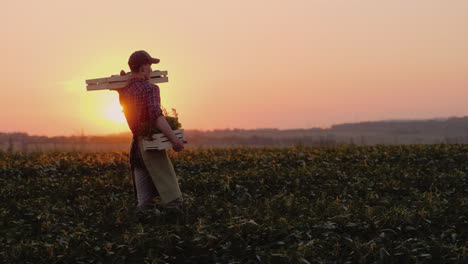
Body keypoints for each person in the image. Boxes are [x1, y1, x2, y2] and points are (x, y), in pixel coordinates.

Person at [113, 50, 185, 212]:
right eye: (150, 65)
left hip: (136, 150)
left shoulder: (124, 91)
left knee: (144, 203)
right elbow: (156, 116)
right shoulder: (151, 88)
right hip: (151, 147)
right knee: (173, 198)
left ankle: (142, 229)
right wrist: (174, 140)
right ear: (144, 67)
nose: (151, 69)